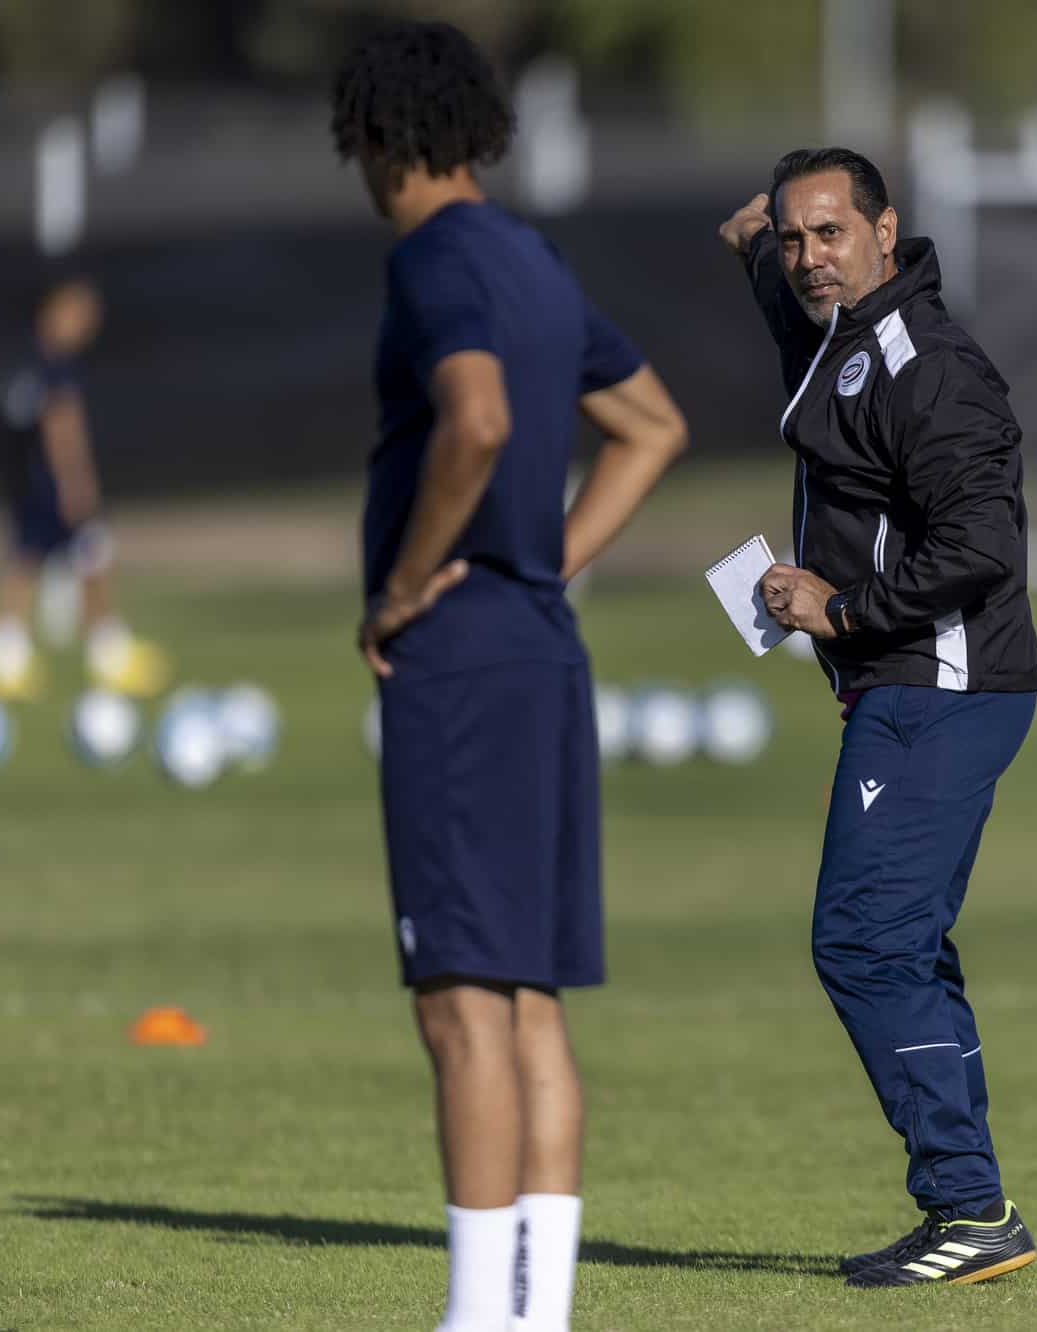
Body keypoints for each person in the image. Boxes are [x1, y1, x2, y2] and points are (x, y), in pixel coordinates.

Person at [331, 22, 689, 1332]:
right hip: (543, 652)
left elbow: (475, 420)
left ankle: (480, 1321)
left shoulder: (434, 258)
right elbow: (654, 427)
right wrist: (547, 559)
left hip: (466, 666)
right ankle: (534, 1322)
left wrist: (408, 581)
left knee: (461, 1009)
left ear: (374, 138)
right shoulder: (533, 259)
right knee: (527, 1002)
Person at [718, 148, 1037, 1289]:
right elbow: (794, 312)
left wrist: (841, 607)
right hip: (900, 687)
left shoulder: (927, 363)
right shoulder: (841, 333)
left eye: (830, 234)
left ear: (885, 229)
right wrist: (761, 252)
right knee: (899, 945)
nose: (811, 258)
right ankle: (967, 1206)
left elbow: (980, 545)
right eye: (796, 237)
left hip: (939, 686)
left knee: (862, 943)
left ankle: (968, 1206)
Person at [0, 276, 171, 701]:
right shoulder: (55, 367)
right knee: (61, 558)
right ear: (52, 312)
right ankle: (101, 654)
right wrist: (77, 484)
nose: (86, 323)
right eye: (78, 312)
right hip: (50, 483)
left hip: (26, 481)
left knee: (48, 559)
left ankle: (20, 655)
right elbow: (61, 428)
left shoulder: (26, 362)